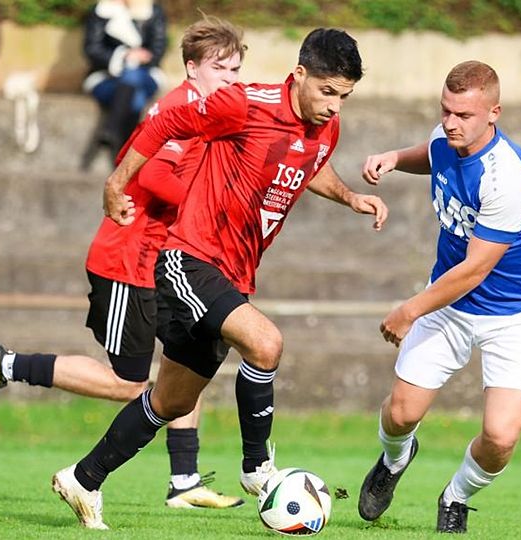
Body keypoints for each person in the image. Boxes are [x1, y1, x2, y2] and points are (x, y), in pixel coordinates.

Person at [51, 28, 388, 530]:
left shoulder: (325, 126)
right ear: (299, 75)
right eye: (327, 92)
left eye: (345, 96)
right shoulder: (244, 104)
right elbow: (167, 121)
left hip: (235, 272)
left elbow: (310, 163)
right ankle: (258, 468)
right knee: (266, 343)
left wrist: (351, 197)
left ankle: (83, 478)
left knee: (171, 400)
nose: (335, 106)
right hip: (189, 259)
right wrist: (116, 181)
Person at [0, 16, 250, 511]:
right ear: (191, 68)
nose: (230, 79)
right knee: (129, 383)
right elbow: (156, 176)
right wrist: (207, 205)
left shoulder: (205, 111)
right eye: (220, 68)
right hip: (129, 260)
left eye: (236, 69)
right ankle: (8, 364)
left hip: (162, 261)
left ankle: (184, 480)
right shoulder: (181, 107)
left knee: (189, 359)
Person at [355, 61, 521, 534]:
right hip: (450, 307)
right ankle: (394, 460)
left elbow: (475, 270)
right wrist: (394, 158)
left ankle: (456, 496)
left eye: (463, 115)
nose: (450, 122)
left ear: (494, 113)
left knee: (501, 437)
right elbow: (433, 153)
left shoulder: (508, 178)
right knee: (400, 414)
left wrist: (409, 310)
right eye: (445, 110)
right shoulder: (447, 137)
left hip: (515, 315)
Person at [82, 0, 168, 161]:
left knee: (133, 75)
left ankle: (111, 130)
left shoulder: (152, 11)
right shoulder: (101, 11)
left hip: (146, 75)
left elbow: (158, 49)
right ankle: (126, 154)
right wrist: (123, 56)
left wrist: (138, 58)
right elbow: (91, 49)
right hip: (106, 78)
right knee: (136, 97)